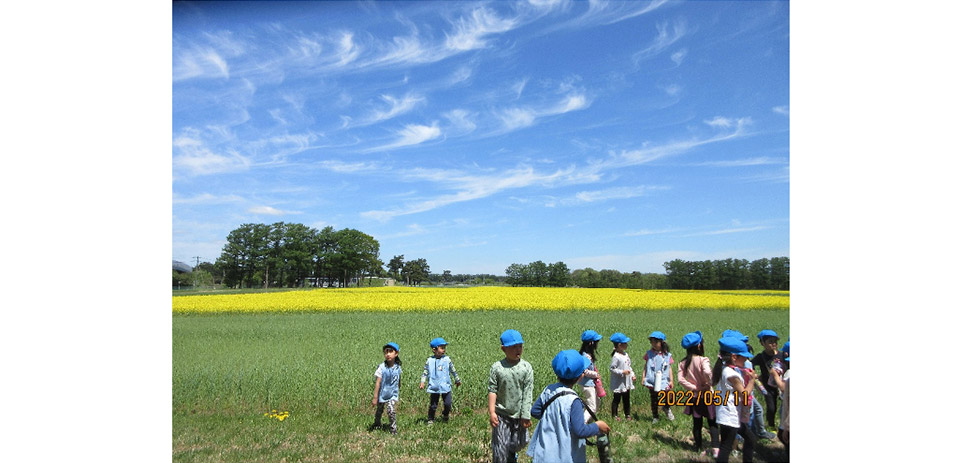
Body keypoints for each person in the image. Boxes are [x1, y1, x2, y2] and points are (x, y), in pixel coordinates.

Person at [528, 350, 612, 463]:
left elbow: (535, 412)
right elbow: (580, 431)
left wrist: (554, 421)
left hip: (544, 455)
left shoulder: (548, 390)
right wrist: (597, 426)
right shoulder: (574, 401)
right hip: (565, 457)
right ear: (581, 375)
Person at [488, 329, 534, 463]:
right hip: (501, 414)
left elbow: (527, 392)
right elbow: (492, 390)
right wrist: (492, 412)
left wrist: (526, 415)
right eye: (513, 347)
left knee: (521, 442)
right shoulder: (497, 368)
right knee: (500, 449)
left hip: (519, 414)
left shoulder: (526, 367)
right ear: (503, 349)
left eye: (520, 346)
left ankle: (511, 452)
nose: (517, 350)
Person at [713, 337, 758, 463]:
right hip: (729, 415)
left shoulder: (727, 370)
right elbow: (744, 394)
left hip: (728, 413)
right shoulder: (731, 374)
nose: (746, 359)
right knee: (726, 447)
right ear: (734, 357)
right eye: (744, 357)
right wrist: (752, 380)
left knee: (749, 439)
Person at [677, 331, 719, 457]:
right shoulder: (703, 359)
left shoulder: (683, 363)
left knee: (697, 422)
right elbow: (707, 371)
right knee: (712, 421)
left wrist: (694, 387)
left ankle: (698, 446)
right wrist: (709, 382)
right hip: (707, 395)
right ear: (699, 345)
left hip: (694, 396)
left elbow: (680, 379)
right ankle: (716, 447)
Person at [419, 337, 461, 424]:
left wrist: (457, 380)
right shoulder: (430, 361)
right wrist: (422, 382)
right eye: (441, 348)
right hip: (434, 386)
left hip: (446, 386)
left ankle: (445, 414)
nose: (444, 350)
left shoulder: (447, 360)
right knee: (433, 405)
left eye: (444, 348)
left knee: (448, 404)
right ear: (434, 350)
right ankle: (431, 419)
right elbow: (425, 372)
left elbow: (453, 370)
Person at [752, 329, 786, 434]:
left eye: (775, 341)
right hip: (768, 386)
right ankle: (771, 425)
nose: (773, 344)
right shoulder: (761, 357)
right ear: (762, 343)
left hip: (783, 385)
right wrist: (755, 375)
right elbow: (750, 365)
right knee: (771, 407)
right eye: (770, 342)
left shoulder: (782, 355)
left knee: (785, 407)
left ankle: (784, 425)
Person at [643, 331, 675, 423]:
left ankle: (666, 408)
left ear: (662, 343)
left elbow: (669, 368)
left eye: (655, 342)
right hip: (652, 380)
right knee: (654, 399)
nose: (653, 344)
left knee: (669, 396)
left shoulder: (667, 355)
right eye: (652, 342)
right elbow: (646, 366)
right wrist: (643, 377)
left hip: (664, 380)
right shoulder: (649, 354)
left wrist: (671, 380)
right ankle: (655, 416)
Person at [372, 342, 402, 435]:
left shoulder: (398, 367)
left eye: (390, 351)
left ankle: (393, 429)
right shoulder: (381, 368)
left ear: (396, 353)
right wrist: (375, 397)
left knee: (391, 410)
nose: (388, 354)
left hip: (392, 394)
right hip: (382, 393)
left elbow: (399, 378)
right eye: (386, 352)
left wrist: (398, 388)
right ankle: (377, 423)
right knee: (379, 410)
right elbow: (378, 382)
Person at [769, 340, 790, 458]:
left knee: (784, 435)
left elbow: (783, 388)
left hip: (788, 407)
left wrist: (775, 375)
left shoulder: (790, 374)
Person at [608, 332, 635, 420]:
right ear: (620, 345)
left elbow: (629, 366)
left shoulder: (625, 355)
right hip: (618, 382)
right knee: (617, 399)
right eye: (625, 343)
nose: (627, 345)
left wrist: (632, 374)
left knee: (626, 398)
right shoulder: (616, 357)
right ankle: (614, 415)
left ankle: (627, 414)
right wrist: (622, 372)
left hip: (626, 381)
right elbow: (612, 368)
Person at [577, 330, 602, 423]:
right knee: (592, 407)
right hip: (587, 384)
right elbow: (585, 371)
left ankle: (587, 422)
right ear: (591, 343)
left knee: (597, 402)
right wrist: (595, 374)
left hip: (590, 383)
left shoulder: (588, 355)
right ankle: (582, 424)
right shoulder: (586, 356)